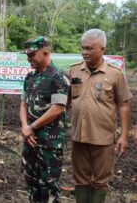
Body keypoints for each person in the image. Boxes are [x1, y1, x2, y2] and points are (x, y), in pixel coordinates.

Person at [67, 29, 132, 203]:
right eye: (83, 48)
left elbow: (124, 105)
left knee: (100, 182)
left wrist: (124, 136)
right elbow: (64, 103)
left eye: (89, 48)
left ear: (102, 49)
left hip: (103, 138)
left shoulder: (115, 74)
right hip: (79, 136)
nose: (84, 52)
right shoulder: (74, 71)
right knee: (80, 179)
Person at [19, 36, 69, 203]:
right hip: (30, 141)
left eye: (32, 55)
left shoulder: (58, 77)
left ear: (45, 52)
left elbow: (57, 109)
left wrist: (31, 127)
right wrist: (25, 127)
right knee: (32, 184)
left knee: (48, 187)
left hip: (49, 144)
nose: (29, 59)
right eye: (27, 55)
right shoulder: (30, 77)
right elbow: (23, 104)